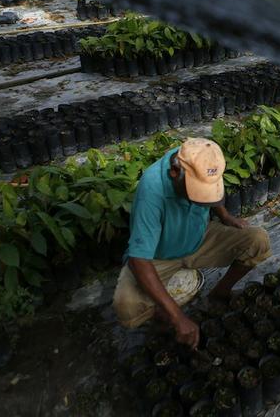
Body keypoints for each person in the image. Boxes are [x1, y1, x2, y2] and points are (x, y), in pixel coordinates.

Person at [112, 137, 271, 348]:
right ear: (174, 173)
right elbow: (139, 259)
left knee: (257, 240)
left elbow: (212, 190)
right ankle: (161, 317)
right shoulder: (151, 191)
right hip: (161, 254)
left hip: (198, 238)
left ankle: (220, 292)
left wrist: (224, 216)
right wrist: (177, 316)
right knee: (127, 305)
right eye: (195, 193)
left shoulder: (204, 158)